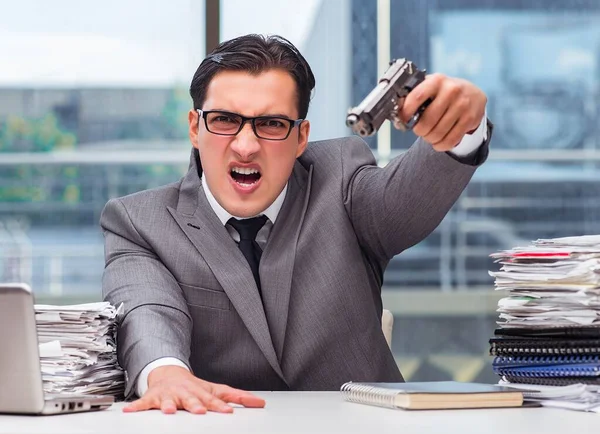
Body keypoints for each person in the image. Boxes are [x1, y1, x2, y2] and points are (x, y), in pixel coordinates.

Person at [101, 34, 490, 415]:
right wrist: (165, 373)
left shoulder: (340, 179)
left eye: (271, 124)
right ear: (194, 128)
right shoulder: (138, 221)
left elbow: (404, 204)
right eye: (224, 120)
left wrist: (461, 130)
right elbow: (146, 310)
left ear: (301, 136)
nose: (245, 145)